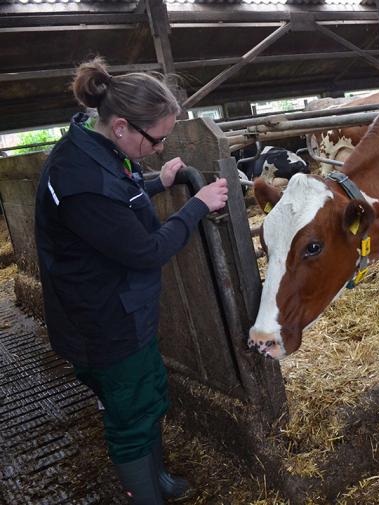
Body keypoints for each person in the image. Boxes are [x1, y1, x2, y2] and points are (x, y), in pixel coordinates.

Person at [34, 57, 228, 504]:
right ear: (121, 126)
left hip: (121, 310)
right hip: (104, 325)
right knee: (130, 417)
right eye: (156, 139)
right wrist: (196, 205)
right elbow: (146, 251)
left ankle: (156, 477)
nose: (160, 148)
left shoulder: (97, 149)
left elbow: (120, 197)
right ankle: (146, 494)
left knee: (146, 396)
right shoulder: (80, 178)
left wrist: (158, 182)